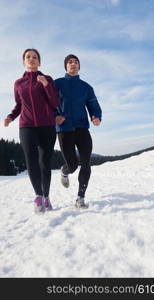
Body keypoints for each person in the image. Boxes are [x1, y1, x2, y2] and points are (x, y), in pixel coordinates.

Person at [4, 48, 59, 214]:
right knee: (31, 160)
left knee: (45, 163)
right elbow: (19, 105)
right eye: (28, 57)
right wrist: (10, 117)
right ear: (24, 61)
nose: (32, 59)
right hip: (26, 126)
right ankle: (38, 195)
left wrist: (46, 85)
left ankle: (47, 196)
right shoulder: (18, 83)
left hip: (47, 126)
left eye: (35, 57)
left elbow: (55, 102)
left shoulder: (47, 79)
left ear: (39, 62)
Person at [55, 54, 102, 209]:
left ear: (79, 66)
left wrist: (95, 116)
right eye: (70, 62)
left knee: (86, 163)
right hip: (64, 129)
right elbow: (50, 103)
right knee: (73, 165)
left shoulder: (86, 87)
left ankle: (80, 198)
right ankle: (64, 170)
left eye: (76, 62)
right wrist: (56, 116)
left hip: (82, 128)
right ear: (65, 66)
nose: (73, 64)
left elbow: (93, 104)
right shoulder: (57, 84)